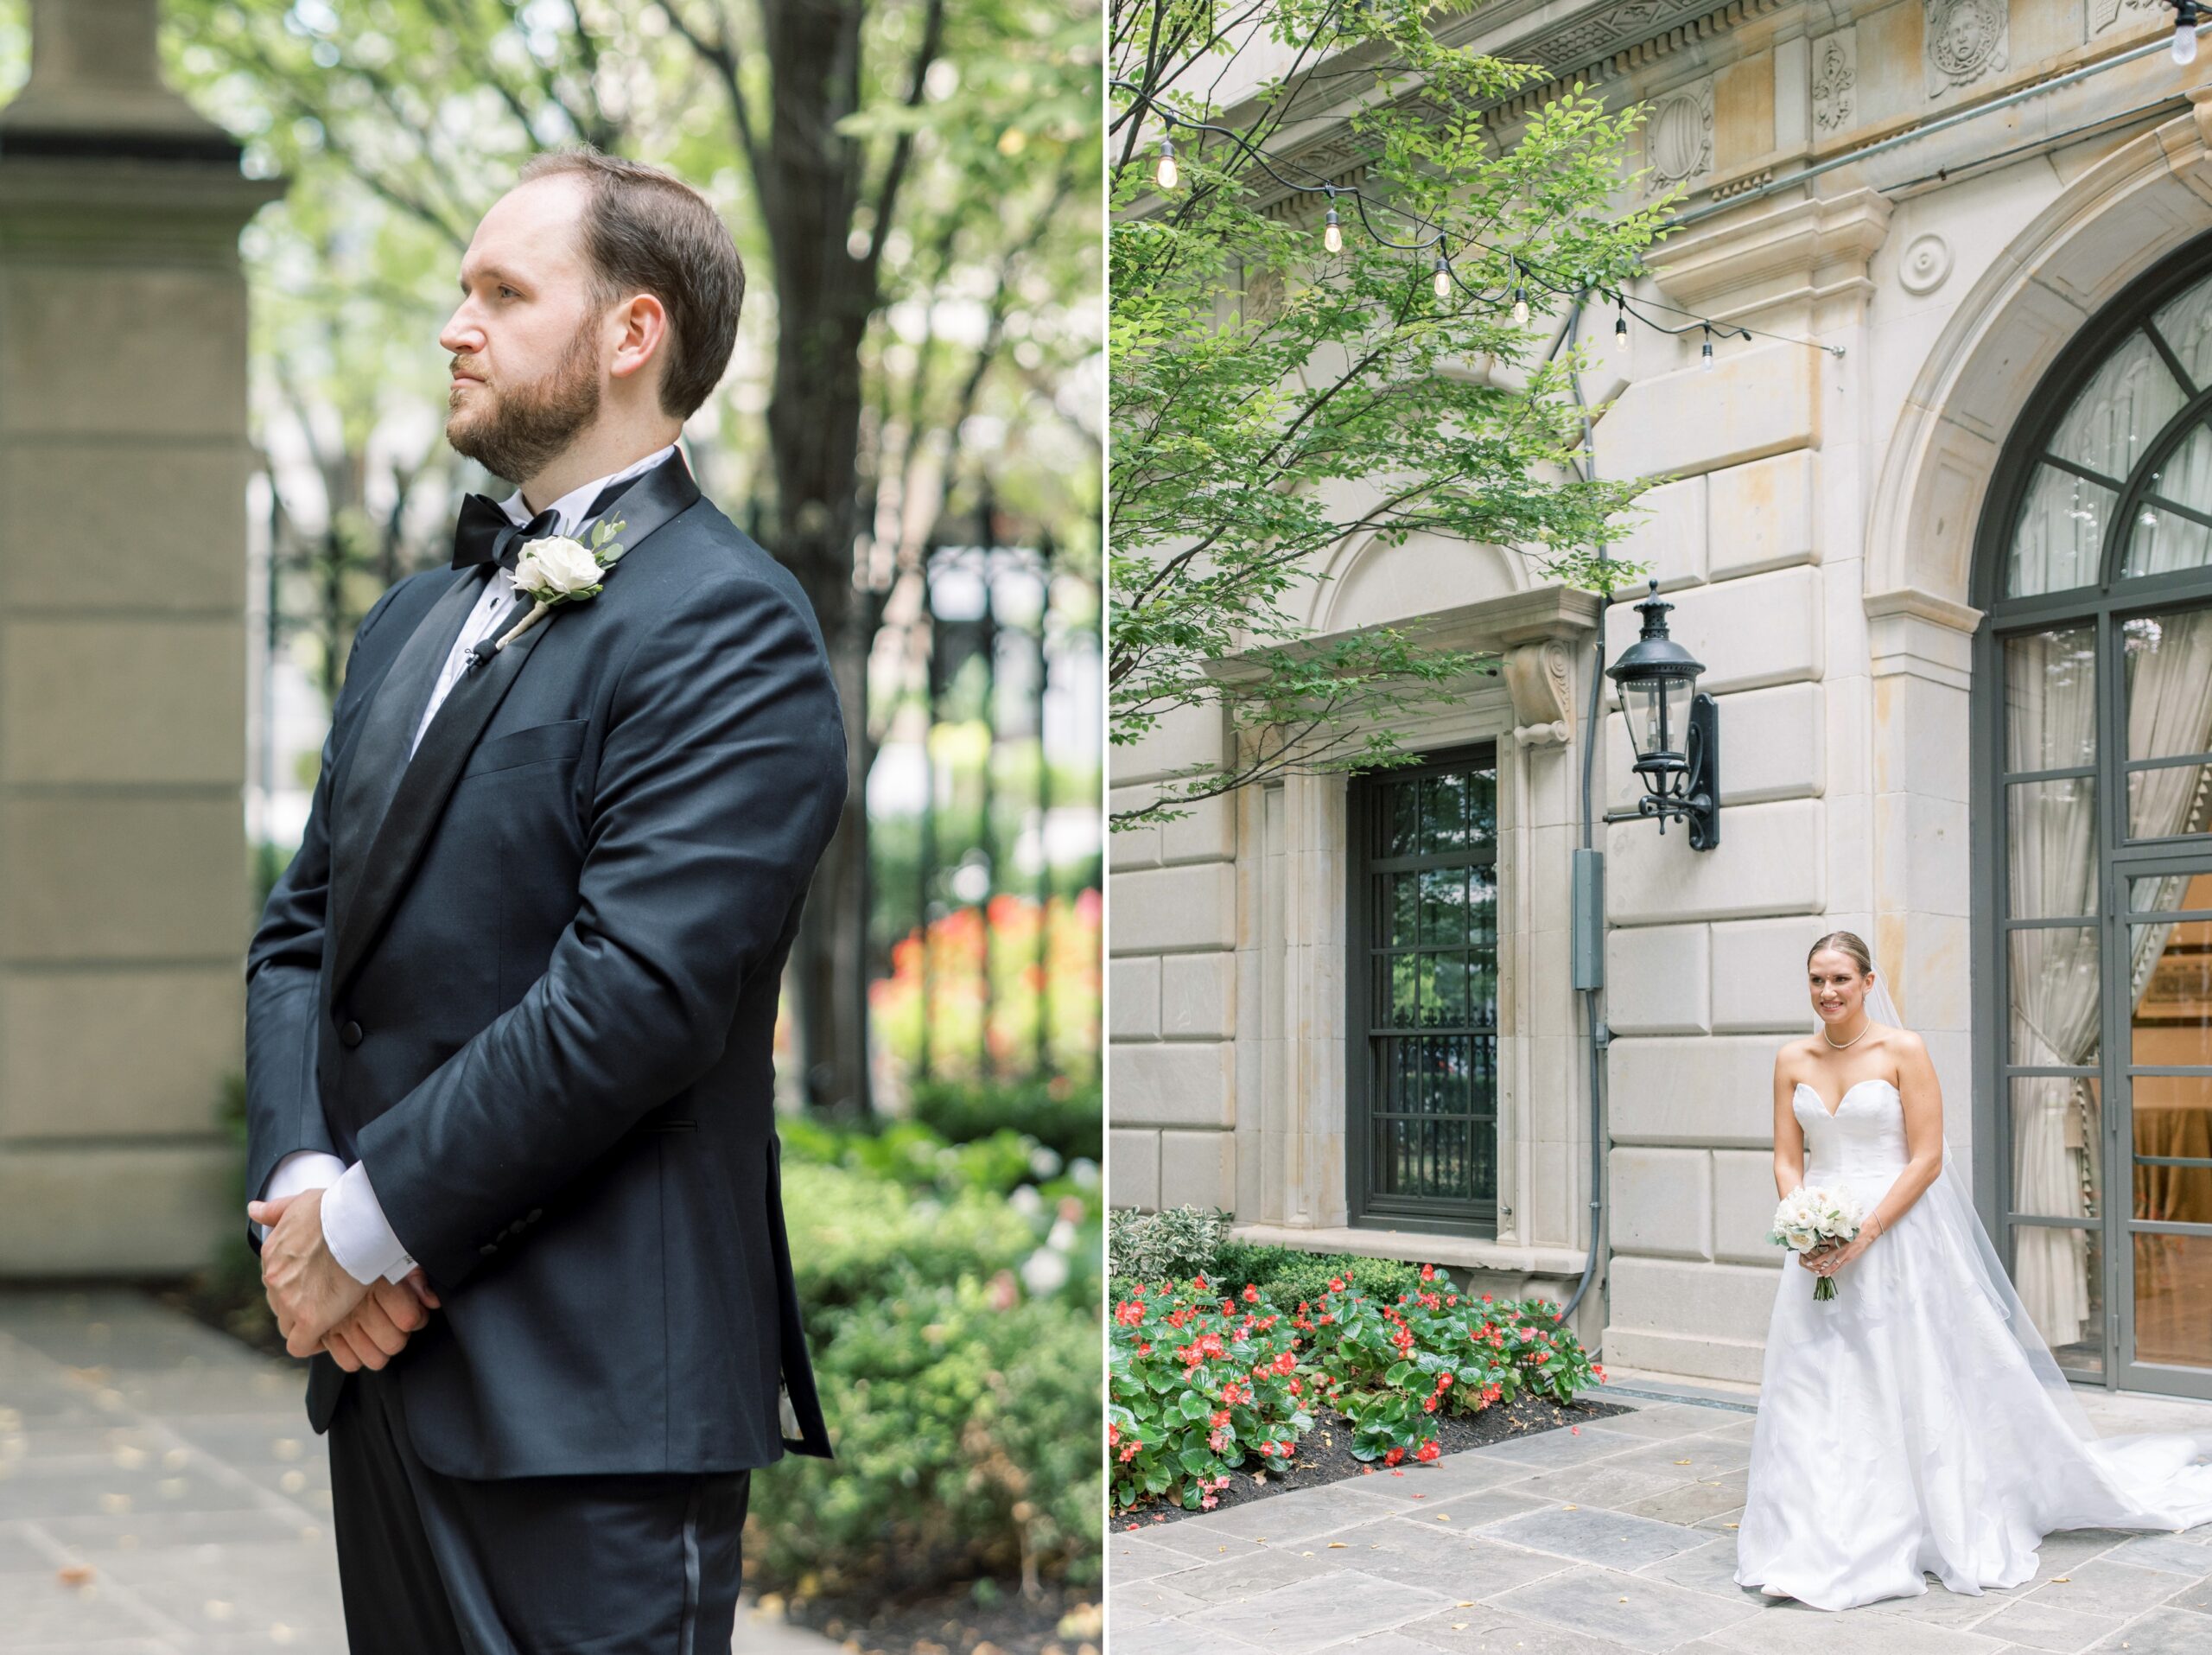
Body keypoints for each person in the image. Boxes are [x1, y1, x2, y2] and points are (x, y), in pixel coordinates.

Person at [240, 146, 845, 1651]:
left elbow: (633, 995)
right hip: (382, 1381)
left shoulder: (732, 624)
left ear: (633, 332)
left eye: (504, 293)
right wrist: (307, 1189)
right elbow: (305, 933)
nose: (457, 326)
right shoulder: (410, 621)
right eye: (463, 291)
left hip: (595, 1412)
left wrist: (366, 1230)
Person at [1733, 929, 2212, 1609]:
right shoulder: (1791, 1058)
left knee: (1902, 1376)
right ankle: (1808, 1536)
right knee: (1812, 1381)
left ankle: (1900, 1528)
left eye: (1840, 978)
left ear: (1868, 982)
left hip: (1895, 1238)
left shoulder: (1904, 1049)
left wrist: (1865, 1233)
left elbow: (1927, 1156)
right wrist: (1800, 1217)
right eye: (1817, 979)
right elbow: (1788, 1156)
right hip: (1817, 1246)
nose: (1828, 991)